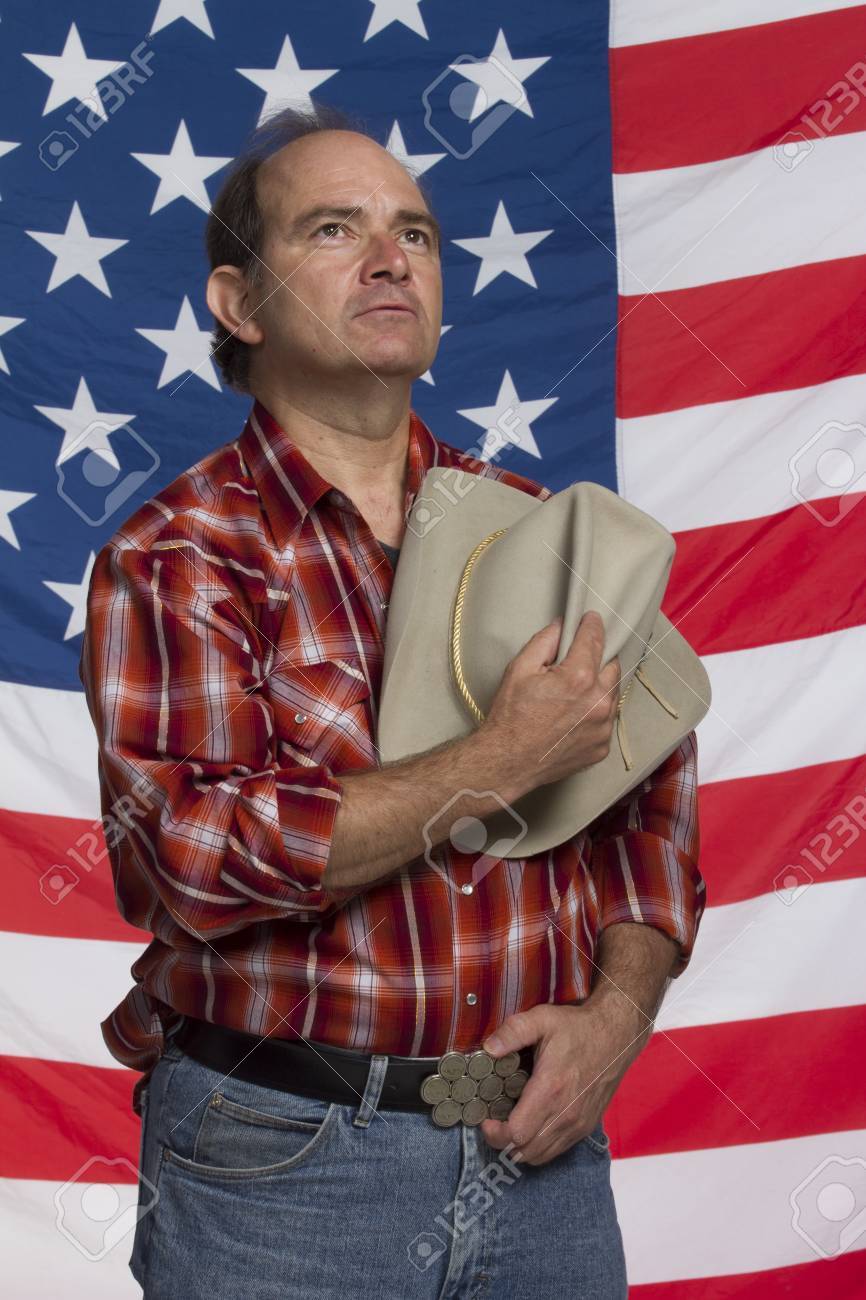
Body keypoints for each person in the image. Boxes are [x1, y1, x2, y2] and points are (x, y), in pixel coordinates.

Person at [79, 101, 705, 1299]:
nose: (388, 258)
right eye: (332, 229)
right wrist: (498, 758)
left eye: (413, 234)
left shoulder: (539, 531)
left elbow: (649, 809)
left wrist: (617, 1014)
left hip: (537, 1147)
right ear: (238, 304)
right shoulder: (178, 556)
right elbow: (191, 860)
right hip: (281, 1163)